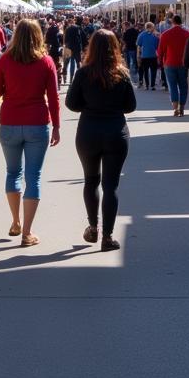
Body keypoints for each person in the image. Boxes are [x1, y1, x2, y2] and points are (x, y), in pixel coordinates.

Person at [0, 19, 61, 247]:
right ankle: (27, 232)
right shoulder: (46, 62)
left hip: (10, 121)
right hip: (37, 122)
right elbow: (53, 97)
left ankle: (15, 221)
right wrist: (57, 126)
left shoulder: (4, 60)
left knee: (12, 173)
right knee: (33, 176)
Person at [66, 29, 136, 251]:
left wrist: (89, 106)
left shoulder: (83, 73)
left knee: (90, 181)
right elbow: (130, 106)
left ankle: (93, 226)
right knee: (111, 186)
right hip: (116, 131)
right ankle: (107, 236)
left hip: (89, 131)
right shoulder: (122, 74)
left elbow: (71, 103)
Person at [157, 15, 189, 117]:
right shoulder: (188, 34)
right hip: (183, 63)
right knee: (183, 85)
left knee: (172, 86)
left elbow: (160, 51)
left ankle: (175, 108)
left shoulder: (165, 34)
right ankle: (182, 107)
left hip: (169, 63)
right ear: (181, 22)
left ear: (172, 22)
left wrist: (160, 62)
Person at [136, 22, 160, 90]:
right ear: (151, 27)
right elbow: (157, 46)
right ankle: (152, 85)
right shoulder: (155, 35)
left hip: (144, 56)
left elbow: (138, 46)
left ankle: (147, 85)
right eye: (153, 27)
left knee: (145, 71)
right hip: (153, 55)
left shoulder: (141, 35)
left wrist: (138, 56)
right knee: (153, 71)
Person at [63, 17, 86, 83]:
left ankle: (65, 78)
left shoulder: (67, 28)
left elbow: (65, 39)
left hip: (68, 47)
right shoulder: (78, 28)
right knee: (77, 63)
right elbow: (81, 38)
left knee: (66, 63)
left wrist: (65, 46)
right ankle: (76, 79)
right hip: (76, 47)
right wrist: (82, 48)